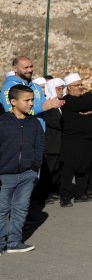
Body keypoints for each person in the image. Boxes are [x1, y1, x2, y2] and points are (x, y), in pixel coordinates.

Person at [0, 84, 45, 253]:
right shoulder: (3, 122)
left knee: (20, 209)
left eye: (32, 100)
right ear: (13, 101)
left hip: (27, 175)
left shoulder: (34, 123)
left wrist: (34, 168)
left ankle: (14, 242)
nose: (31, 103)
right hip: (4, 176)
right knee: (2, 210)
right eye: (27, 100)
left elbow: (39, 145)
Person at [59, 73, 92, 205]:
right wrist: (90, 109)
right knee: (69, 169)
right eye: (77, 85)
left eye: (81, 84)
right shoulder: (67, 100)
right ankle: (65, 196)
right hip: (72, 141)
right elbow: (88, 104)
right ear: (69, 87)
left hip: (86, 140)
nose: (81, 87)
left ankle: (80, 193)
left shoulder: (83, 100)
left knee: (85, 167)